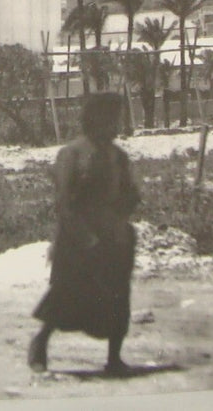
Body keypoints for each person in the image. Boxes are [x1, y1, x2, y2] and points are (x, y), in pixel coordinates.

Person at [28, 92, 141, 375]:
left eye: (116, 119)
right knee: (67, 293)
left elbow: (131, 195)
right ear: (93, 120)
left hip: (113, 237)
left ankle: (114, 358)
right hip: (77, 236)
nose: (114, 125)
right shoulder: (72, 153)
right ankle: (41, 343)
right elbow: (64, 202)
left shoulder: (119, 156)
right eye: (108, 119)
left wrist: (119, 223)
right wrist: (85, 237)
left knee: (117, 297)